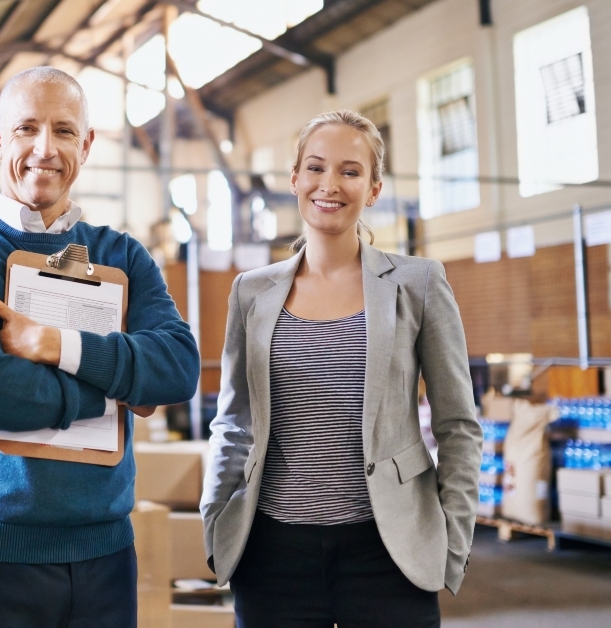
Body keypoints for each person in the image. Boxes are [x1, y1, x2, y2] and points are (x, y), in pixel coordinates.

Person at [0, 66, 200, 627]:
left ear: (86, 145)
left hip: (105, 558)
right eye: (26, 129)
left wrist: (53, 345)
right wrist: (116, 390)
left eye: (65, 131)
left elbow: (178, 368)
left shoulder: (123, 256)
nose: (45, 149)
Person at [201, 110, 482, 627]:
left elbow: (458, 425)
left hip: (387, 550)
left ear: (373, 189)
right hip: (272, 554)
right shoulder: (251, 291)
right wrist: (215, 521)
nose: (330, 184)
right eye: (315, 167)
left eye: (350, 171)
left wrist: (452, 541)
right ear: (294, 180)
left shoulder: (418, 284)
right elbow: (234, 420)